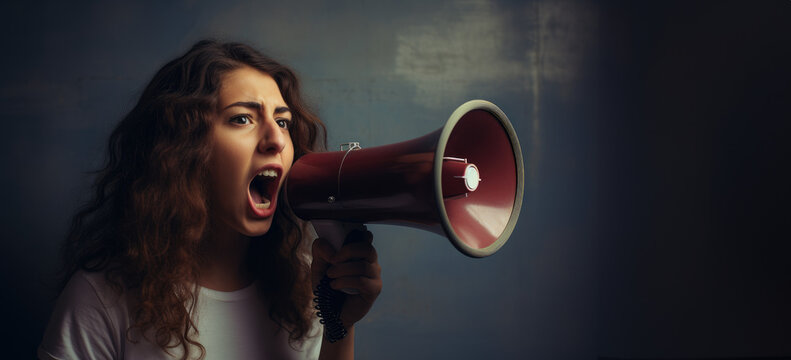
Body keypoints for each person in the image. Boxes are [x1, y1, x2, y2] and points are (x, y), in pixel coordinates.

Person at [38, 40, 382, 360]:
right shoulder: (101, 298)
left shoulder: (305, 289)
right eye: (242, 118)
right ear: (181, 149)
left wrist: (339, 324)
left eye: (283, 121)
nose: (276, 139)